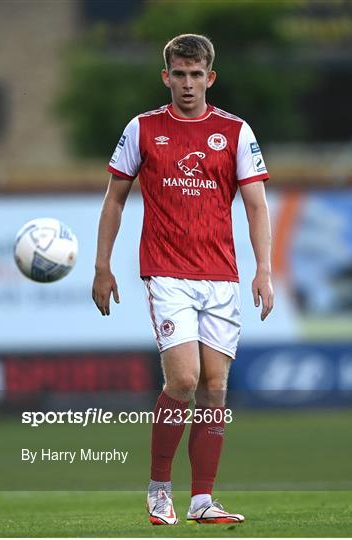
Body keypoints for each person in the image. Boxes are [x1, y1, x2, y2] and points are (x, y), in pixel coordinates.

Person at [92, 33, 274, 526]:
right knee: (185, 380)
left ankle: (202, 501)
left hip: (221, 277)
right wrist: (102, 265)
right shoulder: (143, 129)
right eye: (179, 74)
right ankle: (158, 490)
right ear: (166, 76)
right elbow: (115, 199)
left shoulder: (235, 132)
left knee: (215, 389)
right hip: (167, 272)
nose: (188, 84)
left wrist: (265, 269)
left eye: (197, 75)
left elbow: (256, 205)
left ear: (210, 78)